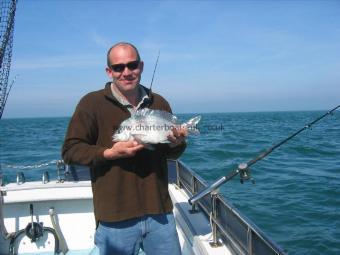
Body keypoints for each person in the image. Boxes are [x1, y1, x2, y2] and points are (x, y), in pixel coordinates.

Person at [62, 42, 187, 255]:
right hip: (114, 218)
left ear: (141, 66)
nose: (126, 72)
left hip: (160, 213)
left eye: (132, 65)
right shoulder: (91, 103)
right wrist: (108, 153)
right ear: (109, 71)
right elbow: (70, 150)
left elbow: (171, 152)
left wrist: (177, 143)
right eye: (119, 67)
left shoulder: (160, 102)